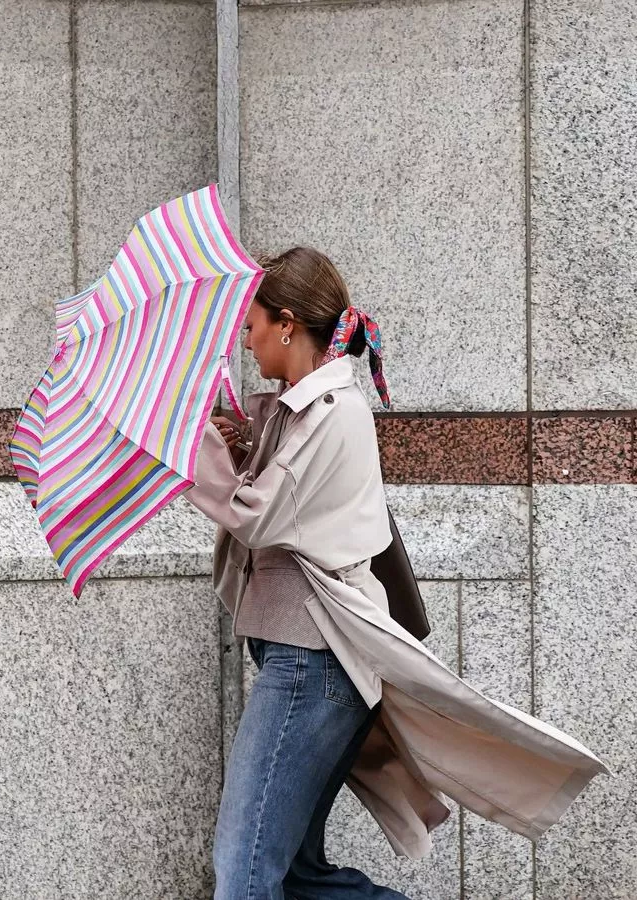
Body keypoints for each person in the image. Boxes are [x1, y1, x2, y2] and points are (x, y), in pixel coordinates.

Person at [190, 247, 605, 900]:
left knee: (243, 874)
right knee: (295, 876)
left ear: (289, 323)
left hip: (311, 663)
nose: (247, 340)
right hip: (301, 657)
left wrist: (194, 448)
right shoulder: (303, 410)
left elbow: (259, 518)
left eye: (252, 325)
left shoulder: (334, 412)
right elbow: (283, 507)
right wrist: (240, 444)